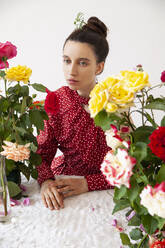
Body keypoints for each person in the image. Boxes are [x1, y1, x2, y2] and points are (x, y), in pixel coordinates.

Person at [36, 16, 113, 211]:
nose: (71, 71)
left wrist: (88, 183)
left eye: (83, 63)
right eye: (67, 61)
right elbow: (41, 155)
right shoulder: (56, 100)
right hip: (64, 182)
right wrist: (45, 182)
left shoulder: (115, 102)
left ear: (99, 67)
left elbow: (131, 166)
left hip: (106, 187)